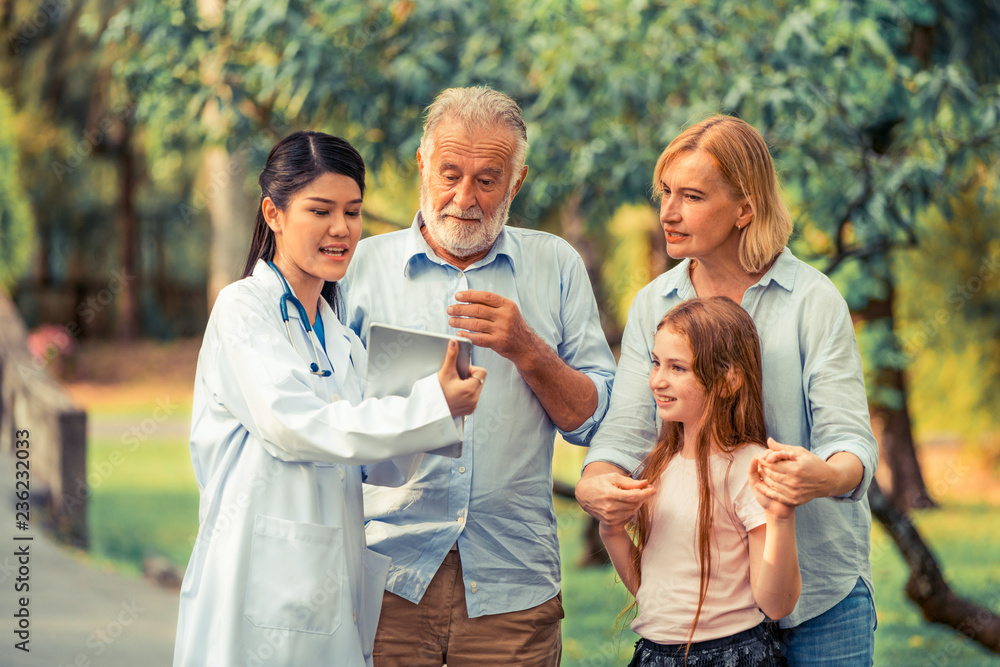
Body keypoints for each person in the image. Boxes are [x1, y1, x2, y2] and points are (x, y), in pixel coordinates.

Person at [173, 131, 486, 667]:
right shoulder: (242, 310)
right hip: (254, 586)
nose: (341, 229)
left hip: (326, 588)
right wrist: (427, 406)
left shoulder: (340, 337)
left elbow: (378, 468)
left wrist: (435, 400)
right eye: (320, 211)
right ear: (273, 213)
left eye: (353, 211)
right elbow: (295, 427)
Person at [575, 115, 878, 666]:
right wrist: (597, 480)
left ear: (746, 207)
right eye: (665, 192)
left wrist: (823, 476)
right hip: (708, 617)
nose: (669, 212)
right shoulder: (653, 305)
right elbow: (627, 426)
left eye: (692, 196)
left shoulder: (812, 299)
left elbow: (848, 438)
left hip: (818, 595)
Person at [339, 86, 616, 666]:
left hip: (513, 583)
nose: (465, 198)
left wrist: (527, 349)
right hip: (386, 575)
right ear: (422, 164)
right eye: (449, 174)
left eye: (487, 180)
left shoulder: (556, 265)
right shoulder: (358, 269)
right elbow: (330, 421)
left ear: (515, 183)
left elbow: (592, 421)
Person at [600, 296, 799, 667]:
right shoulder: (658, 465)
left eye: (677, 368)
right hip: (654, 655)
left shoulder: (748, 467)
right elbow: (653, 594)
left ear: (728, 381)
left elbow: (776, 604)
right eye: (656, 363)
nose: (658, 380)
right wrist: (611, 531)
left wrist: (781, 518)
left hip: (732, 655)